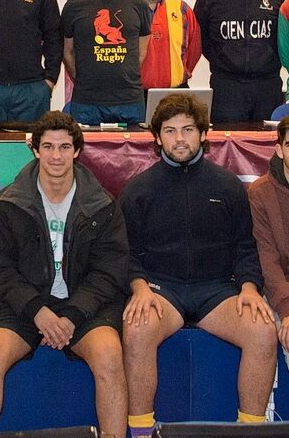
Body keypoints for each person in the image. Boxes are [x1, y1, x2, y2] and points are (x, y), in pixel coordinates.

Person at [119, 93, 277, 438]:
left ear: (203, 134)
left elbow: (246, 247)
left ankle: (250, 431)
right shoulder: (137, 190)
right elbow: (124, 253)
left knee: (263, 331)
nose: (180, 139)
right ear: (157, 137)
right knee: (137, 328)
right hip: (162, 288)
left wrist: (249, 287)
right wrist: (139, 286)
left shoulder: (228, 186)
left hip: (216, 291)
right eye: (171, 131)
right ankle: (142, 433)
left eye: (188, 129)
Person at [0, 111, 129, 437]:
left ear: (77, 151)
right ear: (35, 149)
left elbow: (110, 270)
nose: (57, 156)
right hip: (23, 305)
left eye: (65, 147)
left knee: (110, 356)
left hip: (82, 306)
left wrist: (71, 314)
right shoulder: (10, 201)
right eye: (49, 147)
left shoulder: (101, 204)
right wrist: (36, 310)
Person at [194, 0, 286, 122]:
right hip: (226, 89)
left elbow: (284, 36)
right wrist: (223, 62)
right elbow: (200, 38)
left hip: (267, 87)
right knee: (226, 146)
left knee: (269, 147)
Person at [63, 0, 151, 125]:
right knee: (84, 153)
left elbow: (141, 51)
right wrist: (85, 79)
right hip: (87, 102)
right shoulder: (74, 5)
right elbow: (67, 52)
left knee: (135, 153)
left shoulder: (138, 5)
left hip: (130, 101)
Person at [249, 114, 289, 365]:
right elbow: (268, 261)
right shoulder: (261, 193)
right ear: (280, 150)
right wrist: (287, 309)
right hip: (278, 288)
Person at [136, 0, 201, 90]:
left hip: (176, 93)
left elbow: (194, 50)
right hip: (134, 96)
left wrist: (177, 74)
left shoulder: (181, 9)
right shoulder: (126, 9)